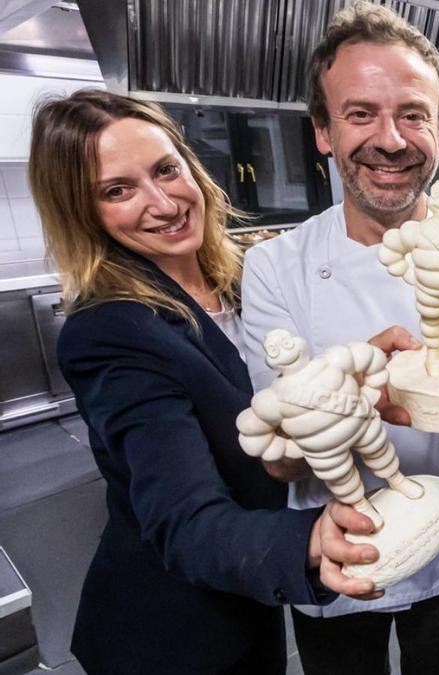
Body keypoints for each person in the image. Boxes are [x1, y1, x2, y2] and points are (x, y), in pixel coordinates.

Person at [29, 89, 378, 675]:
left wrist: (355, 366)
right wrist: (310, 541)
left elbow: (284, 391)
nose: (163, 203)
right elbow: (184, 518)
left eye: (166, 170)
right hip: (174, 636)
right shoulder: (112, 332)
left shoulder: (241, 282)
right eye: (118, 190)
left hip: (247, 611)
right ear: (81, 212)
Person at [239, 4, 439, 674]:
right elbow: (281, 464)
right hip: (342, 550)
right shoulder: (276, 267)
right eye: (361, 113)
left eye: (413, 114)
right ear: (323, 131)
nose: (391, 140)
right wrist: (349, 397)